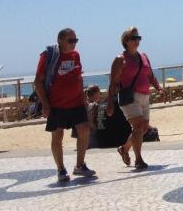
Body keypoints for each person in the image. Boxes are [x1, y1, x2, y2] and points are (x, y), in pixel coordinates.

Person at [33, 28, 95, 182]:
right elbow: (38, 81)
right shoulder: (49, 56)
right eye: (70, 40)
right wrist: (45, 104)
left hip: (76, 103)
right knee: (58, 135)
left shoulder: (76, 55)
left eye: (75, 40)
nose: (74, 44)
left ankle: (80, 165)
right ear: (60, 40)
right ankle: (61, 169)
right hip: (56, 104)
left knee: (85, 130)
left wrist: (83, 97)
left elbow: (79, 77)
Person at [107, 27, 162, 170]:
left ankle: (124, 149)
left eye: (138, 38)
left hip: (145, 96)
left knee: (143, 128)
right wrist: (109, 103)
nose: (137, 41)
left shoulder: (143, 56)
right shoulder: (120, 60)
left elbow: (150, 75)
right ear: (126, 41)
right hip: (129, 97)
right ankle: (138, 159)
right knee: (137, 127)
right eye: (133, 38)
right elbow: (113, 82)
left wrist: (158, 88)